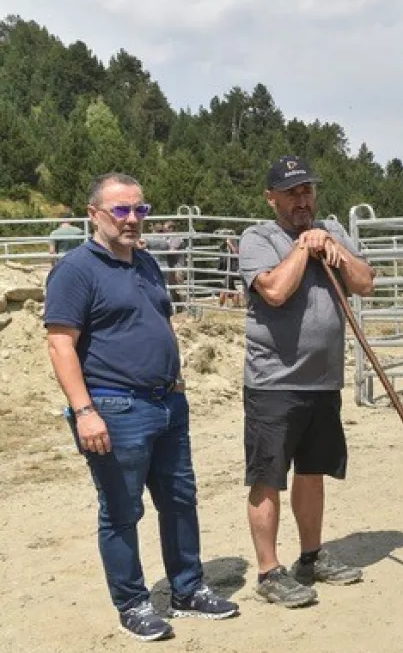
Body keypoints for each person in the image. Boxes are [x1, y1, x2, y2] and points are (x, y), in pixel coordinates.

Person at [43, 172, 239, 642]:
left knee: (179, 500)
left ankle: (188, 590)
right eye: (122, 210)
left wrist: (177, 381)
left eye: (140, 210)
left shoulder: (147, 264)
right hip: (115, 407)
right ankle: (132, 603)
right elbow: (59, 344)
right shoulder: (76, 269)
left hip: (166, 403)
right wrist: (85, 410)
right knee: (121, 510)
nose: (132, 219)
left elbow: (159, 322)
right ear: (95, 214)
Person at [238, 155, 377, 608]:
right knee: (267, 477)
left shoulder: (335, 233)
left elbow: (365, 283)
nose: (303, 200)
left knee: (313, 471)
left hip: (322, 381)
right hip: (274, 381)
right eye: (293, 192)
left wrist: (336, 251)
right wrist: (304, 248)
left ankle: (311, 556)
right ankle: (268, 571)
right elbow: (275, 292)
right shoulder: (258, 238)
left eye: (308, 190)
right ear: (271, 197)